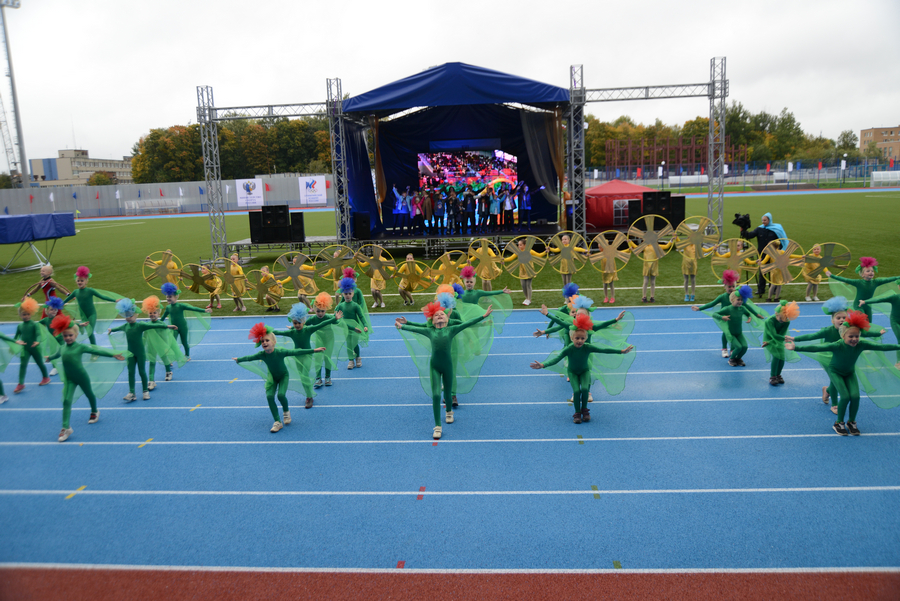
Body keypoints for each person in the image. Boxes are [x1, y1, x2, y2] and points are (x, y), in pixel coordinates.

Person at [786, 311, 900, 436]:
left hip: (849, 372)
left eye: (856, 336)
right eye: (850, 337)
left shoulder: (861, 344)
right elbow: (817, 347)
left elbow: (882, 347)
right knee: (845, 396)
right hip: (836, 372)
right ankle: (838, 423)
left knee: (855, 397)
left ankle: (851, 422)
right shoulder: (837, 345)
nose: (854, 339)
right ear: (843, 336)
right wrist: (796, 347)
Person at [396, 299, 492, 440]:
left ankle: (448, 412)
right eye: (436, 315)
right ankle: (437, 426)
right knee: (436, 395)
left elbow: (467, 324)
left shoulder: (451, 330)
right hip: (434, 366)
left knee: (447, 394)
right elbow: (417, 328)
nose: (440, 315)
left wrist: (483, 316)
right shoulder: (430, 331)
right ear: (432, 320)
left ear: (447, 319)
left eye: (442, 314)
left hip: (447, 366)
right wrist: (403, 325)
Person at [787, 296, 886, 412]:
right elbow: (811, 336)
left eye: (844, 317)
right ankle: (834, 404)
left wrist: (877, 334)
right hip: (827, 357)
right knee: (834, 380)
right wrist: (794, 338)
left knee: (835, 381)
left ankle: (827, 391)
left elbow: (863, 333)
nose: (842, 320)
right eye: (838, 318)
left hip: (841, 357)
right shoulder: (827, 330)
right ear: (832, 320)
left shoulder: (848, 331)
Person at [531, 313, 634, 424]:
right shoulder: (569, 348)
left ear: (586, 338)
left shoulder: (587, 347)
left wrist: (621, 351)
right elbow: (557, 358)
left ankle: (585, 411)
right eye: (577, 338)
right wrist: (543, 365)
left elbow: (604, 349)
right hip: (573, 372)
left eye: (582, 338)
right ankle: (577, 413)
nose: (580, 340)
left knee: (585, 389)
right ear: (572, 338)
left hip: (584, 371)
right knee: (576, 391)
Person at [50, 314, 128, 442]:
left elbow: (97, 351)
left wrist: (113, 354)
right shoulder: (63, 348)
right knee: (66, 401)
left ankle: (94, 411)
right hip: (69, 379)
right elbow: (57, 354)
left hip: (81, 376)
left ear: (75, 335)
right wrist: (49, 358)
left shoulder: (80, 347)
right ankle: (66, 427)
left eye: (70, 335)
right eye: (65, 336)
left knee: (89, 394)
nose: (68, 338)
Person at [234, 323, 324, 433]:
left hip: (283, 376)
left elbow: (296, 351)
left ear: (274, 342)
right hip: (272, 377)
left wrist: (314, 350)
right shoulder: (262, 354)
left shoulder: (280, 352)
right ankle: (277, 422)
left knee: (281, 395)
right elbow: (250, 357)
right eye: (262, 341)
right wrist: (239, 359)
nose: (265, 343)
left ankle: (286, 412)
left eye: (267, 340)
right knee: (269, 396)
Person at [274, 303, 342, 409]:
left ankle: (309, 396)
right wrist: (266, 331)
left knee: (305, 374)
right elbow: (279, 332)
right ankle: (309, 394)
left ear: (304, 322)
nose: (297, 325)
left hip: (308, 356)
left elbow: (321, 324)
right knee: (302, 377)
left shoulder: (308, 330)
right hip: (297, 356)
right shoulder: (292, 332)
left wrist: (334, 318)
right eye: (295, 323)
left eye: (299, 323)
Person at [107, 298, 177, 401]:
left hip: (140, 353)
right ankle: (132, 392)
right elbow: (117, 328)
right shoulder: (125, 326)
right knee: (130, 372)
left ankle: (145, 391)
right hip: (130, 354)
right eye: (126, 316)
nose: (128, 318)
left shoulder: (140, 325)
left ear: (136, 315)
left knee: (142, 372)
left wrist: (169, 326)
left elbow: (157, 324)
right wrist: (111, 329)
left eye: (130, 315)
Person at [61, 266, 122, 346]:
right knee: (82, 328)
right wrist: (57, 304)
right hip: (83, 315)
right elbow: (65, 300)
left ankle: (94, 348)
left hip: (91, 315)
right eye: (78, 280)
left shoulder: (90, 291)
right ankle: (80, 331)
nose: (80, 282)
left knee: (90, 332)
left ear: (86, 281)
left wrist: (114, 300)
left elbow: (102, 296)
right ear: (76, 281)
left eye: (82, 281)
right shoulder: (75, 292)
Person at [828, 257, 900, 322]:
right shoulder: (858, 283)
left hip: (868, 305)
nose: (871, 272)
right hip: (858, 305)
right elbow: (845, 279)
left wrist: (898, 277)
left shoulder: (876, 282)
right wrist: (832, 275)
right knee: (862, 320)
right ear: (862, 274)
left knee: (869, 324)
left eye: (872, 271)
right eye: (868, 271)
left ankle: (861, 335)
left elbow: (889, 279)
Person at [712, 285, 767, 367]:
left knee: (744, 347)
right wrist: (722, 317)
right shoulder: (728, 309)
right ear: (732, 300)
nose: (740, 301)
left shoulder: (742, 309)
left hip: (739, 333)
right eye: (738, 300)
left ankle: (738, 358)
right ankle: (732, 359)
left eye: (741, 300)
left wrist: (749, 318)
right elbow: (714, 314)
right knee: (738, 347)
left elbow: (748, 313)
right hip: (731, 333)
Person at [692, 269, 740, 358]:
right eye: (729, 286)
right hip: (724, 318)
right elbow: (712, 303)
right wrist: (700, 308)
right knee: (726, 332)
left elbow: (743, 305)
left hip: (734, 318)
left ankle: (733, 348)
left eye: (733, 286)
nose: (731, 288)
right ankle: (724, 349)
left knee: (733, 333)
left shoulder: (737, 296)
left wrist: (751, 315)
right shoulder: (722, 297)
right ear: (724, 287)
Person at [142, 295, 186, 390]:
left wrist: (170, 327)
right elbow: (144, 336)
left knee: (165, 359)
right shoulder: (147, 325)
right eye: (150, 313)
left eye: (154, 313)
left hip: (161, 345)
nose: (152, 314)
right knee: (152, 362)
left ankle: (168, 371)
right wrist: (143, 344)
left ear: (158, 314)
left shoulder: (161, 323)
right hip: (151, 346)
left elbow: (164, 328)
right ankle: (151, 381)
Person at [740, 212, 787, 298]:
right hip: (762, 254)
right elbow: (750, 235)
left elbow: (780, 241)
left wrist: (779, 250)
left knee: (773, 272)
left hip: (773, 255)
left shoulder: (776, 229)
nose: (763, 222)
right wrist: (743, 231)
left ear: (769, 220)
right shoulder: (759, 229)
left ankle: (772, 289)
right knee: (762, 272)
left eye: (765, 220)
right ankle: (761, 289)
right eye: (762, 220)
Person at [160, 282, 212, 360]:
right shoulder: (168, 308)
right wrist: (157, 324)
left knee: (184, 342)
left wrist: (204, 310)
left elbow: (193, 308)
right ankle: (172, 356)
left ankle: (187, 355)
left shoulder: (180, 306)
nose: (168, 298)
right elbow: (163, 317)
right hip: (174, 328)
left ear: (176, 296)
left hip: (183, 327)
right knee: (172, 342)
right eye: (167, 297)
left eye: (170, 296)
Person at [12, 298, 51, 394]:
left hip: (35, 348)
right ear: (20, 315)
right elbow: (16, 337)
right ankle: (21, 383)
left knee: (40, 363)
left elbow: (38, 334)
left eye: (28, 314)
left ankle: (45, 377)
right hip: (25, 349)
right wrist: (16, 341)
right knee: (23, 365)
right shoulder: (20, 326)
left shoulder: (34, 324)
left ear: (31, 313)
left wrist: (37, 342)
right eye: (24, 314)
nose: (26, 316)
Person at [861, 283, 900, 368]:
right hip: (896, 321)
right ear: (899, 287)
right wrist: (865, 301)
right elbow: (880, 299)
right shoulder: (895, 297)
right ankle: (898, 361)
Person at [761, 301, 800, 386]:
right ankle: (772, 376)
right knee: (776, 356)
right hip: (769, 339)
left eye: (785, 318)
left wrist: (784, 338)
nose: (783, 320)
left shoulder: (786, 321)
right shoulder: (769, 321)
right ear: (776, 314)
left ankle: (778, 375)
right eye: (781, 318)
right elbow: (773, 334)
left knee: (782, 357)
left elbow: (781, 334)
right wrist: (785, 339)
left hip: (779, 339)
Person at [335, 277, 369, 369]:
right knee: (348, 343)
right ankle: (351, 360)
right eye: (346, 294)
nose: (348, 295)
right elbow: (335, 314)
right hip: (345, 327)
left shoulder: (355, 305)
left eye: (350, 293)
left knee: (354, 343)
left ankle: (358, 357)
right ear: (343, 294)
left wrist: (365, 325)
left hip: (355, 328)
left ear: (353, 293)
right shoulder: (341, 305)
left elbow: (361, 316)